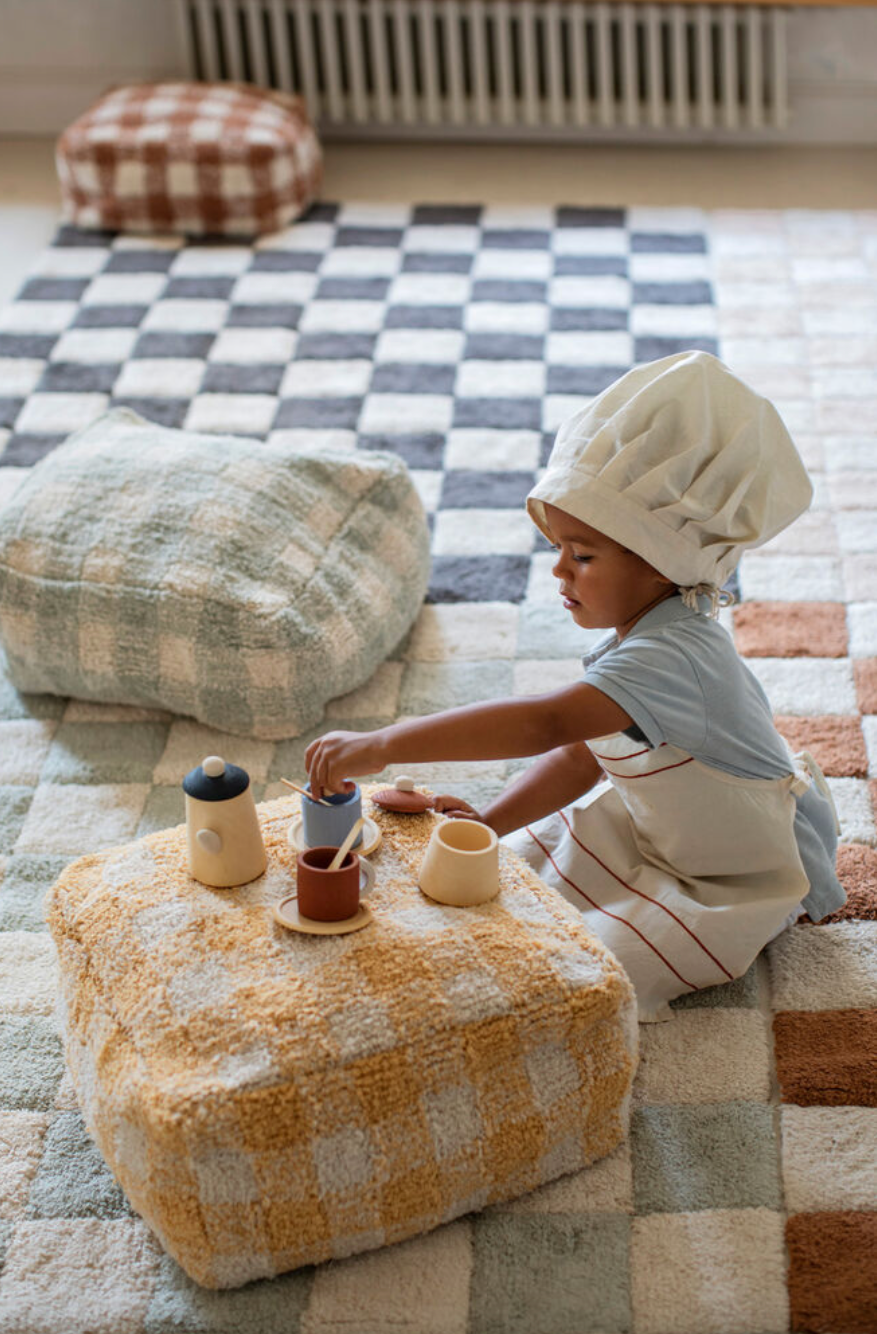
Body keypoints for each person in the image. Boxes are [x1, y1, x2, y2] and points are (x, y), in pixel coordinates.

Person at [305, 351, 844, 1021]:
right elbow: (580, 754)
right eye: (558, 548)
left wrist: (383, 742)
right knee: (524, 872)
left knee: (581, 969)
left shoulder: (674, 658)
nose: (559, 570)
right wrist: (493, 824)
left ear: (662, 562)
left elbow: (545, 725)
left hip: (731, 872)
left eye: (582, 554)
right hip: (669, 831)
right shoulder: (641, 635)